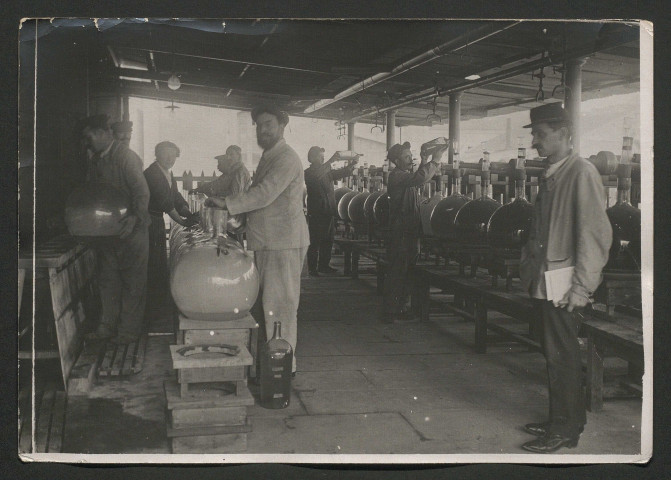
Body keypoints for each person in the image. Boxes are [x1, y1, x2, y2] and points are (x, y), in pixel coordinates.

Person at [519, 102, 612, 453]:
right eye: (535, 135)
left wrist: (582, 288)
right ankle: (566, 418)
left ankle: (565, 430)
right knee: (555, 353)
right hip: (546, 280)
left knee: (562, 356)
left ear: (563, 133)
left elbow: (594, 235)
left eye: (541, 135)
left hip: (564, 284)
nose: (536, 143)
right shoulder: (553, 171)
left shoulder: (581, 172)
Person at [206, 105, 309, 375]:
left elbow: (264, 194)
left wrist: (228, 204)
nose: (262, 130)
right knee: (270, 306)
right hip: (268, 240)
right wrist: (239, 222)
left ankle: (284, 369)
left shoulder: (286, 158)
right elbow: (256, 195)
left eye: (268, 124)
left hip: (283, 242)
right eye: (259, 125)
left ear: (282, 125)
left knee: (281, 307)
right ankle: (273, 363)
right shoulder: (269, 157)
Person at [80, 114, 150, 344]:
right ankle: (107, 327)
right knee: (108, 280)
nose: (87, 142)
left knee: (133, 283)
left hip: (132, 230)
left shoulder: (126, 157)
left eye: (89, 136)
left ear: (102, 133)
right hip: (108, 232)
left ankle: (128, 332)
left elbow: (142, 192)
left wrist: (135, 218)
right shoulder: (96, 159)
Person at [382, 141, 445, 323]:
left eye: (411, 156)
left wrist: (425, 159)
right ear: (396, 160)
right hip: (401, 231)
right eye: (407, 157)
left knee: (407, 270)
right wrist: (435, 160)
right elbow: (420, 178)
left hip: (409, 230)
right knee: (398, 271)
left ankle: (401, 308)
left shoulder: (404, 175)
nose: (411, 159)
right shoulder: (397, 176)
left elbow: (418, 179)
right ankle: (392, 312)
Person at [143, 141, 197, 324]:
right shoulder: (152, 173)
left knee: (159, 261)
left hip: (156, 221)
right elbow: (165, 202)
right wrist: (182, 221)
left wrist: (187, 211)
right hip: (149, 221)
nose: (170, 159)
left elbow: (175, 196)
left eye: (173, 155)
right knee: (153, 263)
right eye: (166, 154)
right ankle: (152, 311)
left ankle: (157, 308)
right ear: (157, 154)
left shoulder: (167, 172)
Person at [303, 146, 358, 276]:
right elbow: (318, 175)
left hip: (328, 210)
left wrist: (353, 163)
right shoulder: (308, 173)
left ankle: (323, 265)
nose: (323, 158)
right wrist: (331, 160)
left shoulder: (326, 171)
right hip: (317, 211)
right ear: (312, 158)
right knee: (315, 240)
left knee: (328, 239)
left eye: (323, 156)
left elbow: (343, 173)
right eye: (320, 156)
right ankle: (312, 268)